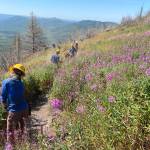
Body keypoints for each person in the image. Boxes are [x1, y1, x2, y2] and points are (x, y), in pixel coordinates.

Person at [1, 64, 29, 144]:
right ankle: (24, 143)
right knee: (23, 127)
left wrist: (5, 106)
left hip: (14, 110)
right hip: (25, 108)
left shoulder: (6, 81)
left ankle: (11, 146)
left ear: (13, 71)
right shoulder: (21, 83)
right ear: (21, 74)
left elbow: (3, 96)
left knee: (10, 131)